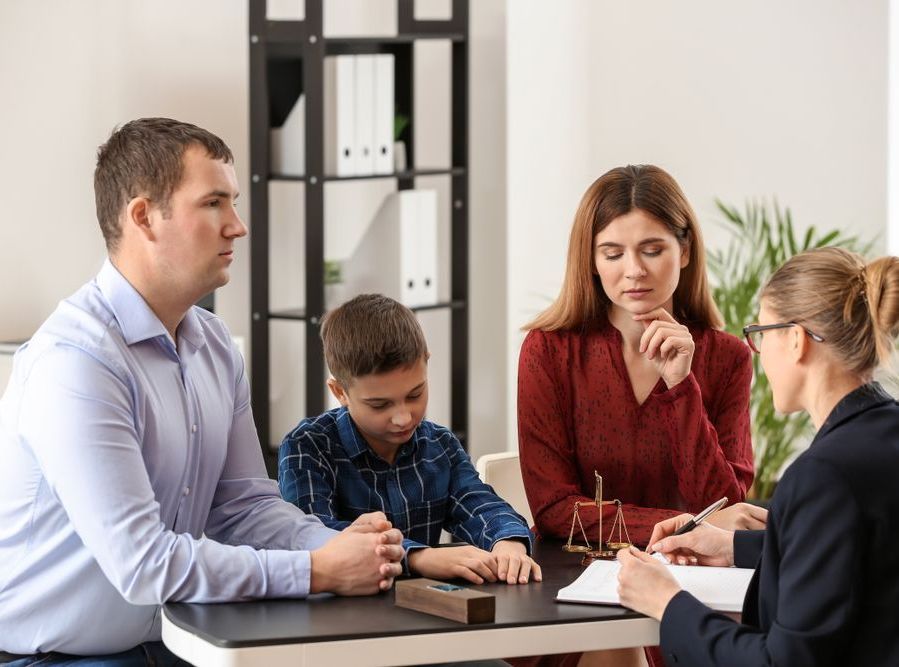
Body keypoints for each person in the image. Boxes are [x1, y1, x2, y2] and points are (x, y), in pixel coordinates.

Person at [0, 118, 404, 664]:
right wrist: (317, 569)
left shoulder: (212, 344)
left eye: (232, 203)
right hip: (56, 659)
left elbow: (244, 507)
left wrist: (341, 548)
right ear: (143, 216)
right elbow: (143, 564)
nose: (237, 226)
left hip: (178, 641)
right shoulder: (76, 364)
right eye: (214, 203)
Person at [618, 247, 899, 666]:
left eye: (761, 335)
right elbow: (854, 556)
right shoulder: (883, 437)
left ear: (796, 339)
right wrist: (733, 547)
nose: (758, 352)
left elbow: (781, 662)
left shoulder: (823, 475)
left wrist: (667, 601)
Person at [518, 165, 765, 551]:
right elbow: (553, 507)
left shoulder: (727, 357)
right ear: (592, 261)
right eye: (613, 254)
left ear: (684, 251)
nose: (634, 270)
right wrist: (683, 525)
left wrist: (681, 386)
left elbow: (723, 504)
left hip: (692, 572)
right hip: (575, 573)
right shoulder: (549, 350)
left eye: (652, 250)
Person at [279, 293, 542, 585]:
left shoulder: (439, 445)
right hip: (342, 618)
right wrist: (418, 558)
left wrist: (507, 542)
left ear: (426, 363)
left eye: (415, 394)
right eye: (380, 405)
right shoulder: (307, 447)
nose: (403, 418)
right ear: (340, 392)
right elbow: (315, 537)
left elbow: (479, 503)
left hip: (426, 613)